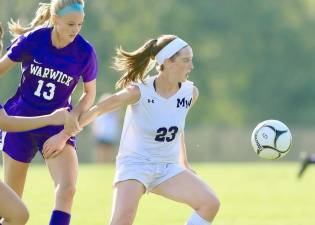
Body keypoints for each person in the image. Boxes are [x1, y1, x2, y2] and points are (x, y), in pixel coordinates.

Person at [44, 35, 220, 225]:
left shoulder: (190, 93)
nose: (191, 66)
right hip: (135, 165)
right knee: (121, 222)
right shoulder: (139, 91)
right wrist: (63, 136)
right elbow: (98, 110)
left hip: (167, 167)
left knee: (210, 203)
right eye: (186, 60)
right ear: (167, 62)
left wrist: (184, 163)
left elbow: (178, 128)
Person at [0, 1, 98, 224]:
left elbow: (89, 94)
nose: (76, 29)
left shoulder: (85, 52)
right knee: (11, 210)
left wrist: (71, 120)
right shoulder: (34, 40)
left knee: (68, 189)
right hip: (20, 122)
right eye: (70, 23)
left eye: (80, 24)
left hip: (57, 125)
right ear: (55, 19)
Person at [91, 93, 120, 163]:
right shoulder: (100, 114)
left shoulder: (114, 114)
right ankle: (100, 164)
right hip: (101, 135)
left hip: (110, 136)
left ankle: (107, 163)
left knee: (109, 152)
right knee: (101, 152)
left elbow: (115, 125)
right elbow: (96, 125)